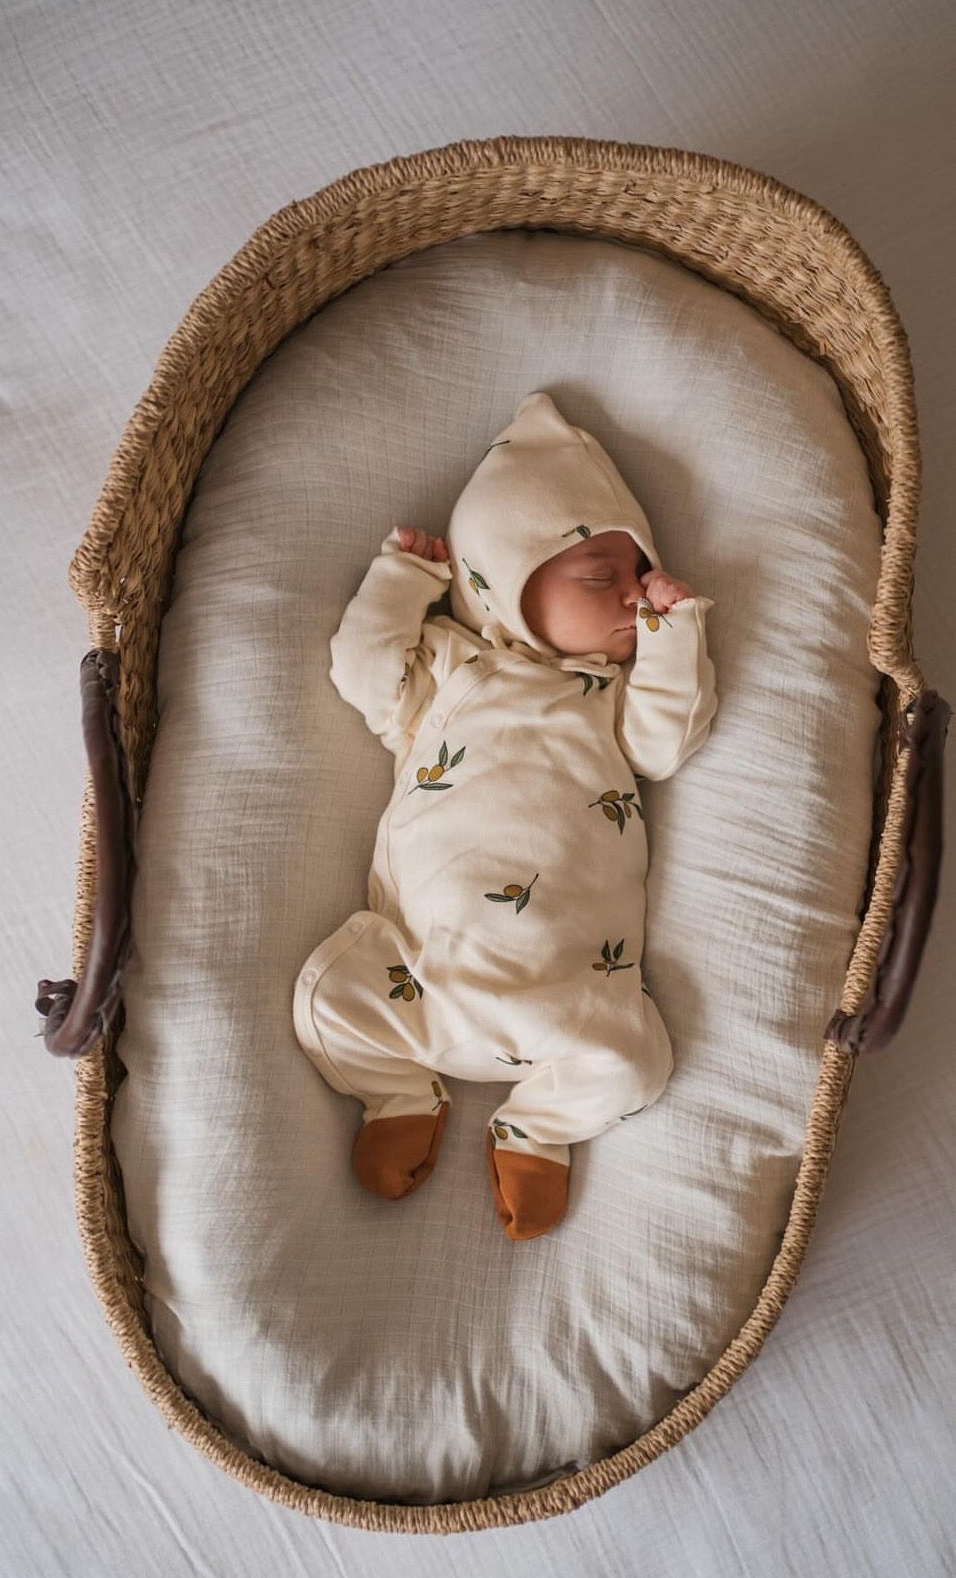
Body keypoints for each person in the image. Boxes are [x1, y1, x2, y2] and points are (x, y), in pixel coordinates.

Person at [293, 392, 718, 1239]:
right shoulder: (453, 669)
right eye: (601, 577)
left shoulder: (611, 698)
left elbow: (668, 744)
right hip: (420, 973)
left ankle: (538, 1127)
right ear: (500, 582)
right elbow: (362, 673)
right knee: (325, 1000)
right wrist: (402, 581)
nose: (632, 596)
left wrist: (675, 639)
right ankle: (399, 1092)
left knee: (635, 1061)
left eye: (638, 577)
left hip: (565, 991)